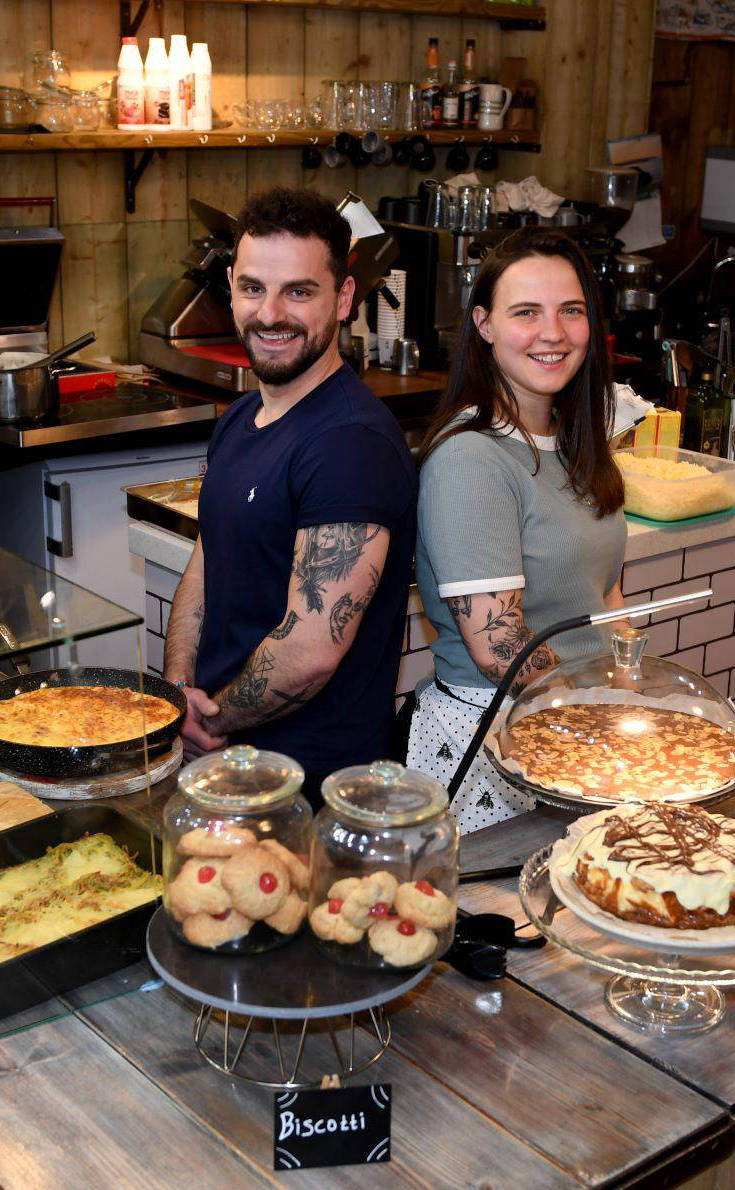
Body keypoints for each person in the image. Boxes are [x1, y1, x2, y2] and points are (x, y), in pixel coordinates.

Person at [162, 187, 418, 797]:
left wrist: (211, 721)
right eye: (253, 288)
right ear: (230, 286)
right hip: (226, 763)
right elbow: (207, 563)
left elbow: (311, 650)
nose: (270, 314)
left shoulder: (350, 444)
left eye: (298, 292)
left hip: (310, 789)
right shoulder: (240, 418)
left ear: (345, 298)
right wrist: (180, 691)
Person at [409, 228, 633, 833]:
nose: (552, 333)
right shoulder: (470, 460)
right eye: (526, 312)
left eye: (571, 311)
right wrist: (589, 721)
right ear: (483, 324)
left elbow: (604, 598)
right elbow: (497, 646)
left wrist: (630, 689)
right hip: (501, 739)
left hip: (582, 723)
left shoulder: (575, 440)